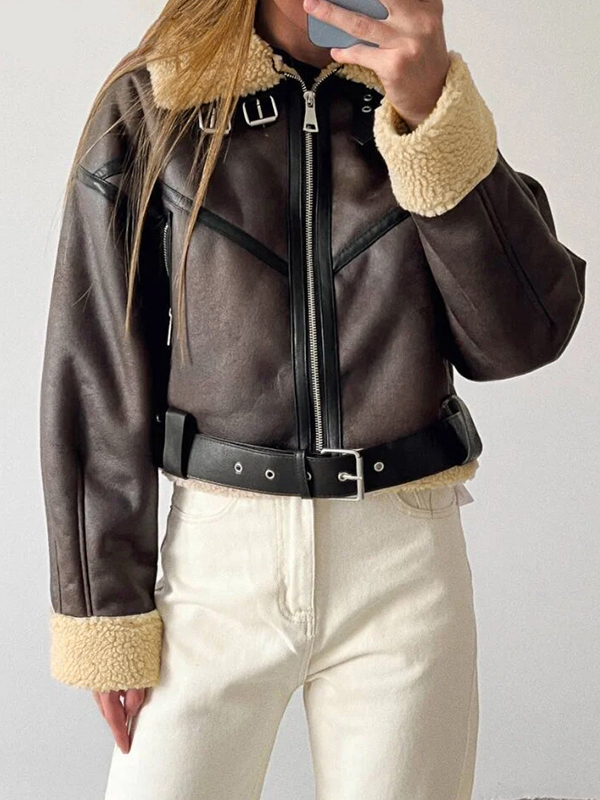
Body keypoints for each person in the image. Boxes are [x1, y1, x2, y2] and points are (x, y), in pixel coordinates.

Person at [39, 0, 587, 797]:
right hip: (215, 567)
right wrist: (106, 613)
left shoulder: (410, 102)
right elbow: (95, 370)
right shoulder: (158, 101)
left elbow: (523, 337)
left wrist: (431, 115)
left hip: (402, 561)